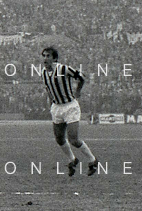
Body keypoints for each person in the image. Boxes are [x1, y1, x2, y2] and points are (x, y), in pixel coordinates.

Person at [40, 47, 100, 176]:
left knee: (73, 139)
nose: (45, 58)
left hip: (70, 106)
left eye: (48, 56)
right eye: (44, 56)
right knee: (59, 138)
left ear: (54, 59)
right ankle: (72, 160)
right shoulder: (43, 73)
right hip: (57, 107)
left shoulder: (63, 69)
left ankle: (92, 160)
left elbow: (81, 77)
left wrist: (78, 91)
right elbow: (48, 89)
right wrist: (51, 104)